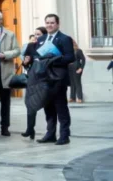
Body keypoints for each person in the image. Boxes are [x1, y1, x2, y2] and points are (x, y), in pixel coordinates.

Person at [37, 14, 75, 146]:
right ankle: (50, 134)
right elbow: (37, 55)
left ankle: (64, 135)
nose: (49, 25)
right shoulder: (41, 39)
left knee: (61, 107)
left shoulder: (64, 39)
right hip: (45, 78)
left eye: (52, 23)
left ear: (57, 24)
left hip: (59, 77)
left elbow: (70, 57)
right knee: (48, 107)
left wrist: (53, 59)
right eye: (47, 23)